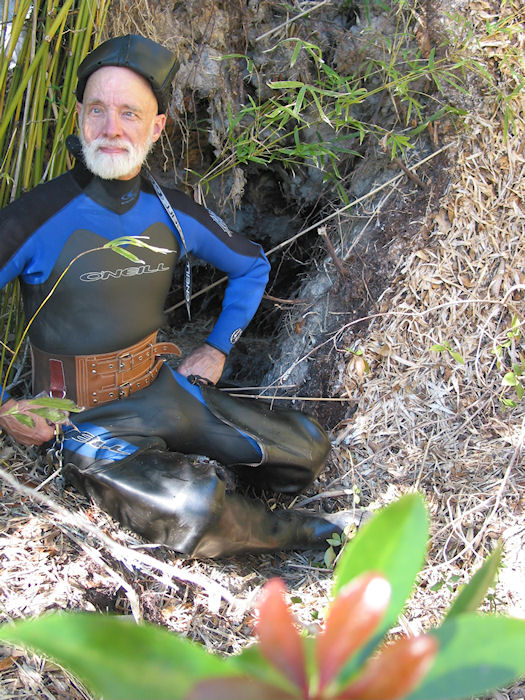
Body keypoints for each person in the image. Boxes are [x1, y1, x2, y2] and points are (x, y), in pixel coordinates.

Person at [0, 34, 357, 557]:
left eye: (129, 112)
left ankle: (241, 506)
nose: (111, 128)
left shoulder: (170, 210)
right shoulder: (33, 217)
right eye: (97, 110)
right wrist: (6, 406)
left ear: (157, 126)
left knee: (306, 447)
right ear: (79, 116)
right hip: (79, 418)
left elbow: (252, 266)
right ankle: (294, 534)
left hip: (163, 390)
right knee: (194, 506)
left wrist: (216, 347)